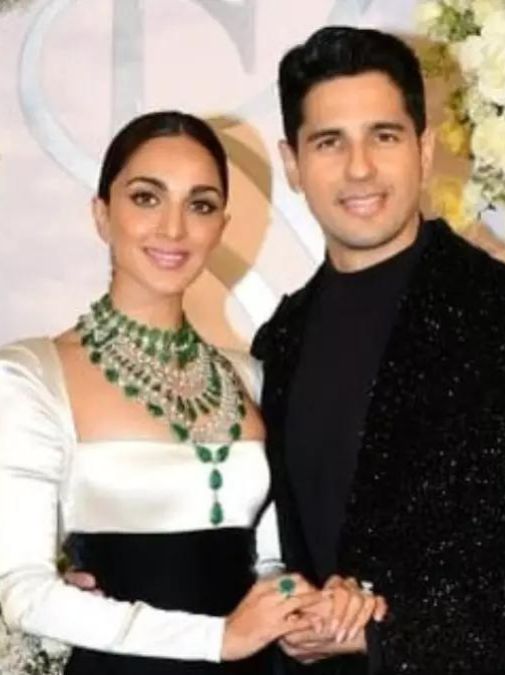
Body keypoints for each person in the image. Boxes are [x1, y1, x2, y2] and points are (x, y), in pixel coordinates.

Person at [250, 26, 505, 672]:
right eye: (330, 142)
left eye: (383, 136)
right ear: (293, 163)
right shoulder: (281, 337)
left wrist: (386, 633)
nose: (359, 167)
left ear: (424, 147)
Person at [0, 111, 374, 673]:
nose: (173, 229)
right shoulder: (31, 376)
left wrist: (300, 600)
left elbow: (269, 560)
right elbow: (24, 592)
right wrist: (217, 637)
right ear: (102, 213)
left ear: (221, 225)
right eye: (146, 198)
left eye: (199, 205)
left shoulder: (251, 376)